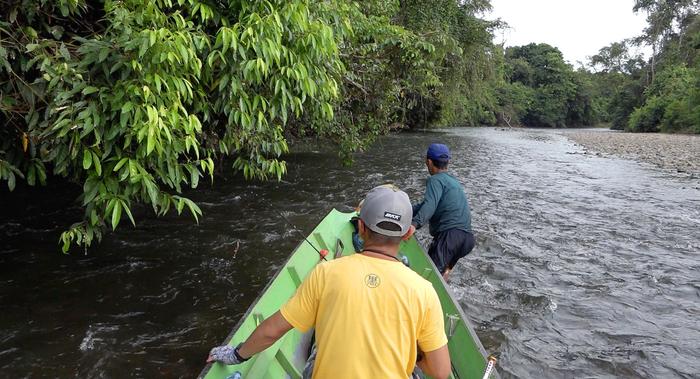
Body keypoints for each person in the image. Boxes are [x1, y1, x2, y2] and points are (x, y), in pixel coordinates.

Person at [208, 185, 451, 379]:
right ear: (408, 234)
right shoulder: (424, 291)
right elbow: (440, 372)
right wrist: (412, 355)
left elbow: (273, 331)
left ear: (362, 228)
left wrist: (236, 355)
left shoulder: (326, 273)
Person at [412, 143, 475, 280]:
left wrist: (413, 225)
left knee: (429, 277)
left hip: (451, 236)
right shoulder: (453, 181)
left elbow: (430, 205)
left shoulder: (435, 180)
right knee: (441, 275)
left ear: (428, 162)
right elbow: (425, 205)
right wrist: (405, 209)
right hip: (467, 239)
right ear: (448, 162)